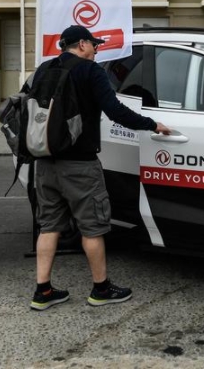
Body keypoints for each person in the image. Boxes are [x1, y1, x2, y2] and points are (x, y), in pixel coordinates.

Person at [30, 25, 172, 311]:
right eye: (94, 45)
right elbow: (115, 110)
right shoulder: (90, 71)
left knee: (49, 226)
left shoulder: (43, 69)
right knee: (92, 227)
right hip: (80, 165)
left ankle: (42, 290)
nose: (96, 50)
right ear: (82, 44)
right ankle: (101, 289)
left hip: (44, 162)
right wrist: (151, 124)